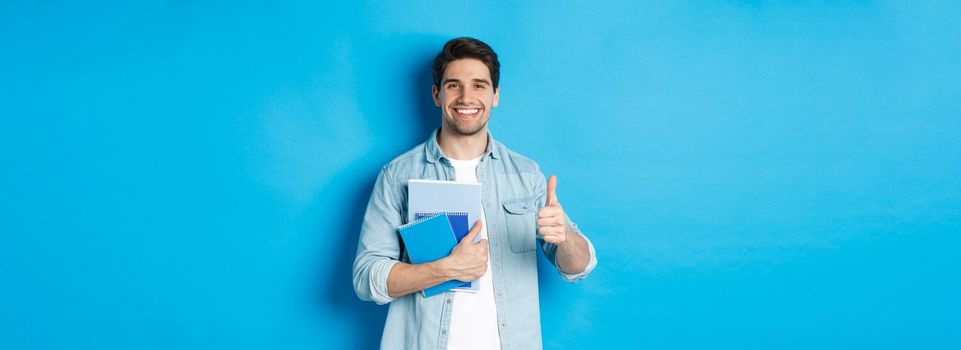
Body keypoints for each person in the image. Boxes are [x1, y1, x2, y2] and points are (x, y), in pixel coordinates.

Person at [352, 37, 597, 350]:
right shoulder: (397, 176)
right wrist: (446, 269)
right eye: (454, 85)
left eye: (479, 85)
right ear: (436, 94)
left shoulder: (525, 175)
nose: (466, 96)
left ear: (495, 95)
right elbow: (366, 277)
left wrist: (564, 237)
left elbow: (579, 267)